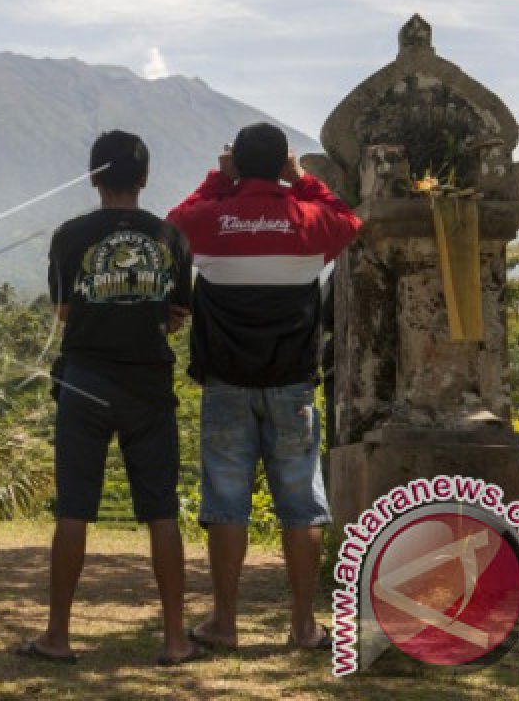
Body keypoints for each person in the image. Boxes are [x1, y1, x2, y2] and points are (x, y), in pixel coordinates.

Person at [166, 122, 361, 651]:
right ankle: (303, 625)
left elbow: (174, 224)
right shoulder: (307, 220)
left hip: (226, 384)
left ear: (236, 164)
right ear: (280, 165)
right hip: (292, 388)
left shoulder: (209, 220)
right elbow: (348, 217)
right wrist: (299, 178)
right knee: (301, 505)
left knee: (226, 502)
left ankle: (224, 623)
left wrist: (217, 180)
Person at [18, 130, 200, 666]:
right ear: (144, 179)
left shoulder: (70, 235)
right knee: (162, 512)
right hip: (148, 385)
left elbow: (65, 312)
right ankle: (174, 640)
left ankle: (57, 635)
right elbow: (176, 317)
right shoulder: (172, 236)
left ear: (94, 178)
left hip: (85, 381)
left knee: (74, 509)